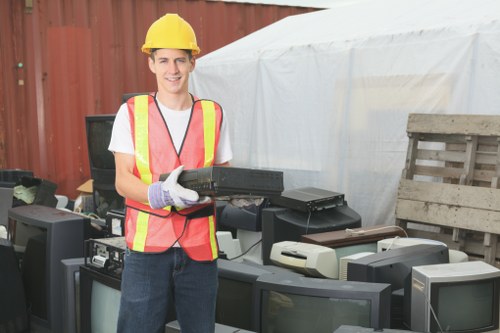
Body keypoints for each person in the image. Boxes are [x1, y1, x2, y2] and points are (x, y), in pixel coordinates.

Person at [108, 13, 232, 333]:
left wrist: (241, 195)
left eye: (180, 60)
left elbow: (225, 174)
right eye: (163, 60)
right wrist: (158, 193)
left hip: (200, 252)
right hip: (147, 251)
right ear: (151, 64)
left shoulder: (213, 113)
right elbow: (122, 179)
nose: (172, 70)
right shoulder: (131, 112)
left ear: (193, 62)